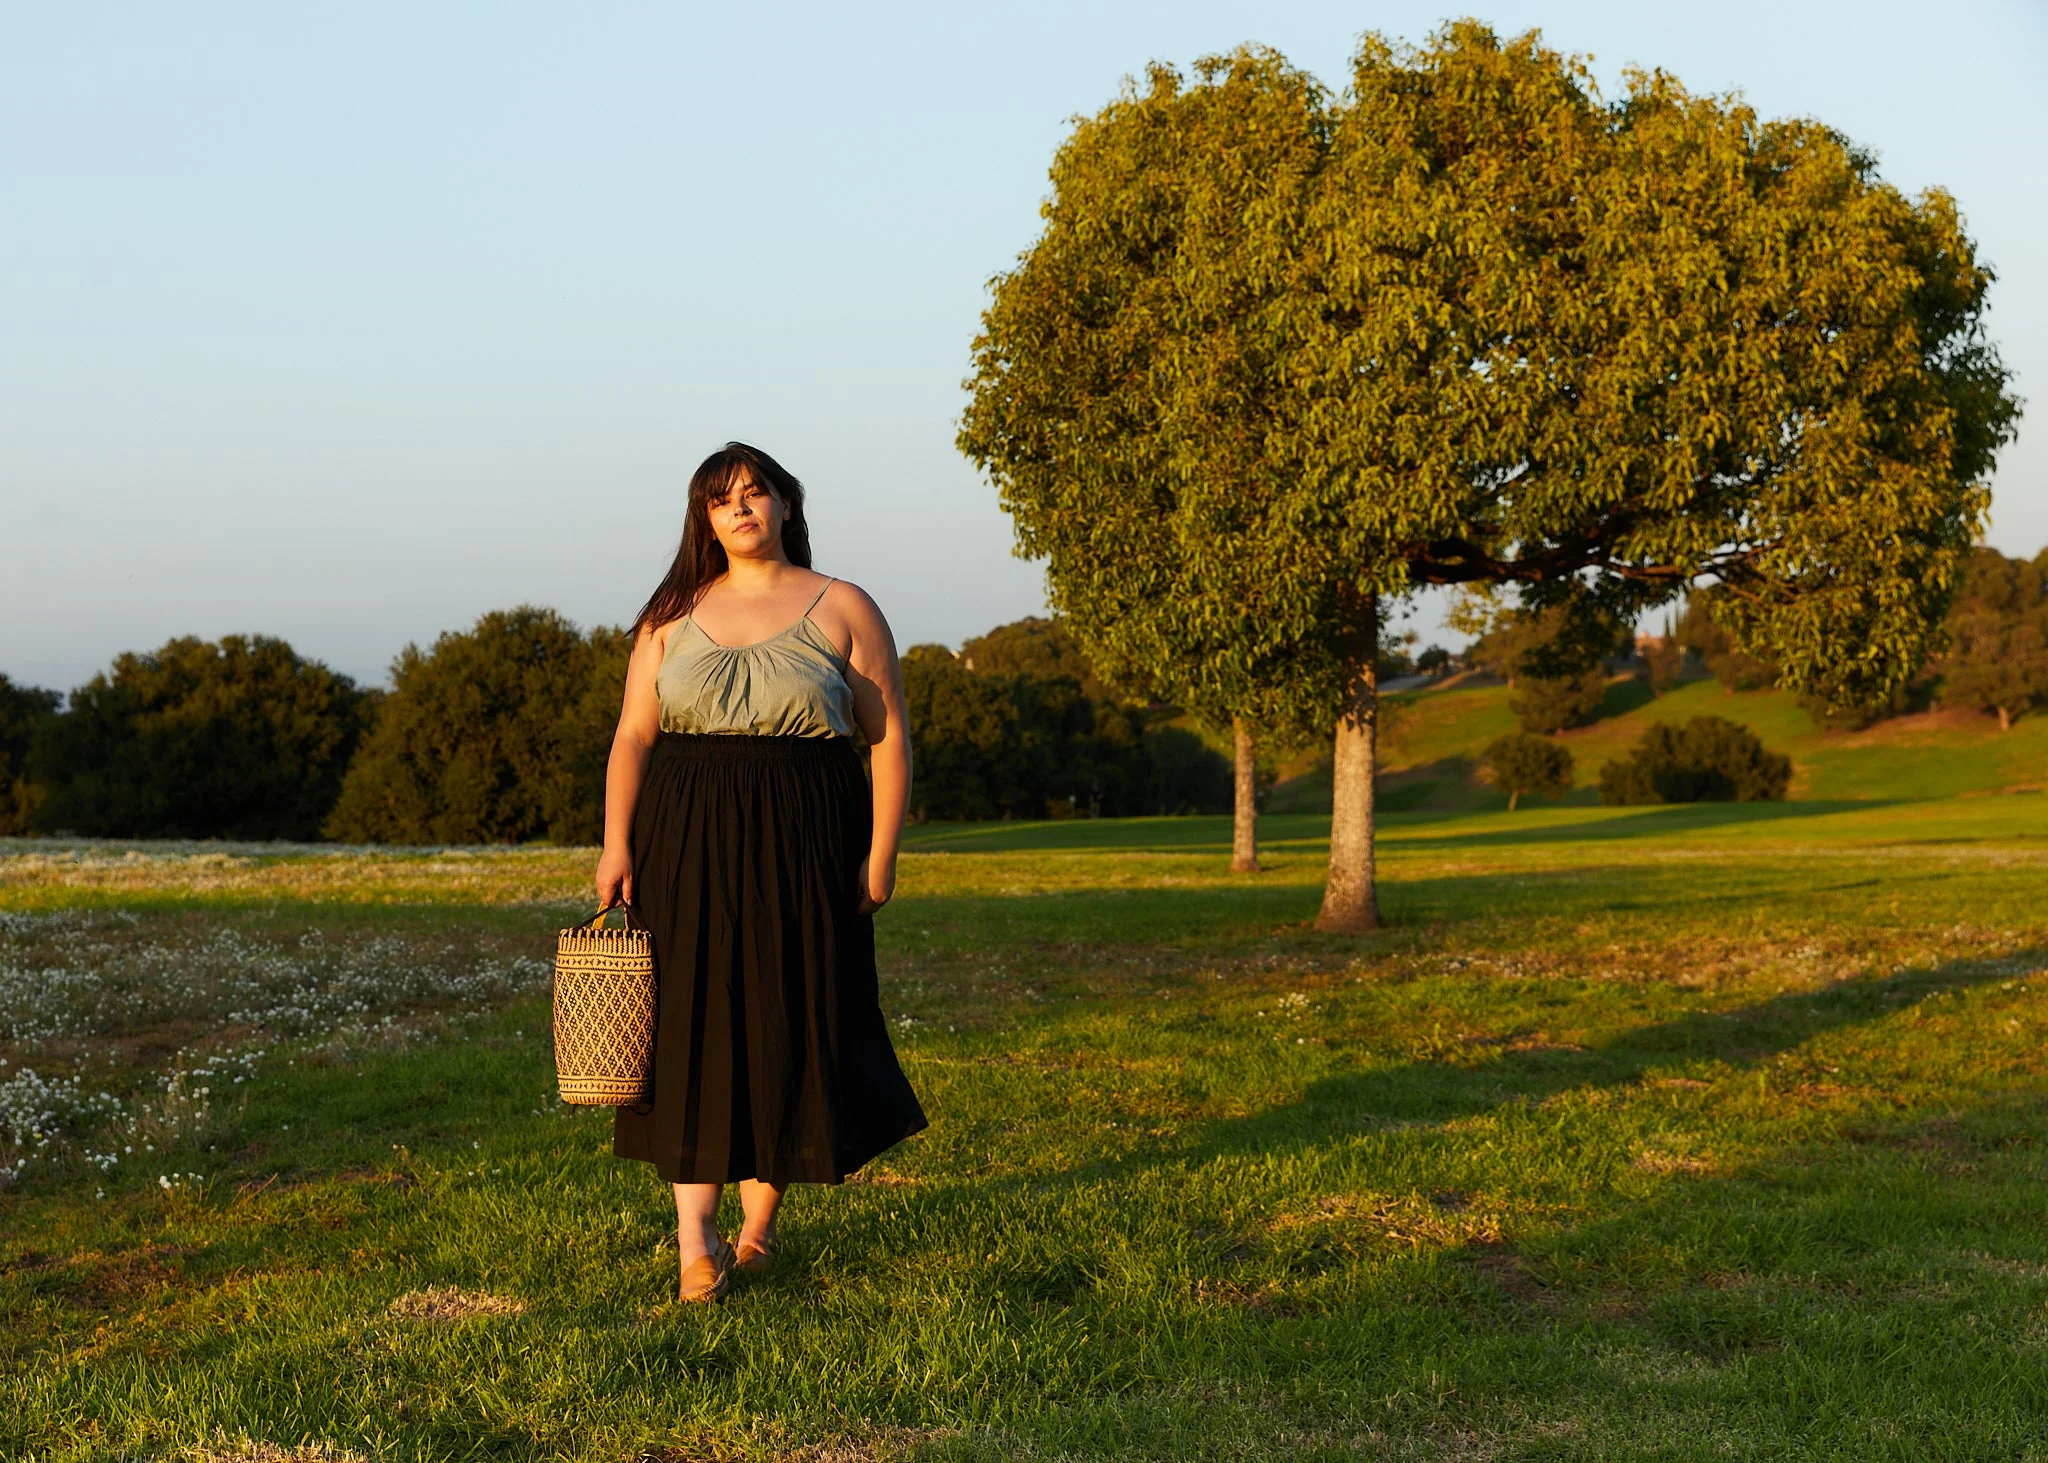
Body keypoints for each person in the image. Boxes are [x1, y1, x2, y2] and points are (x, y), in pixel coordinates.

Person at [594, 441, 927, 1303]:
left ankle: (757, 1230)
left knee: (792, 1011)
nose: (741, 508)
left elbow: (885, 737)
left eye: (756, 492)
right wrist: (615, 842)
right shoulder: (670, 611)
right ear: (703, 519)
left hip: (808, 832)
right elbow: (634, 735)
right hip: (687, 832)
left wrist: (882, 854)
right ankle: (693, 1244)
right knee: (690, 1024)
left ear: (785, 503)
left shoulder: (843, 604)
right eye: (721, 499)